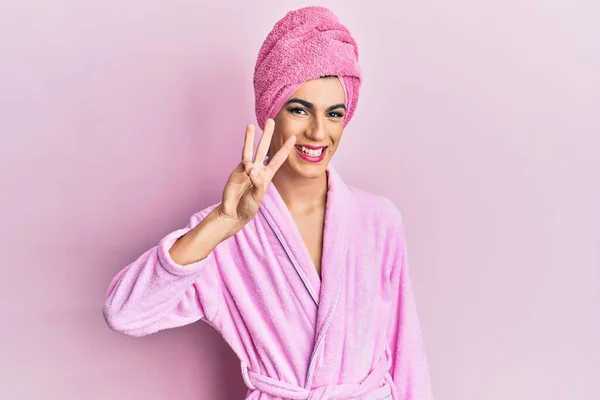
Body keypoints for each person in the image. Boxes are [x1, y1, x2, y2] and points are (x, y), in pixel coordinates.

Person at [103, 6, 434, 400]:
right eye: (300, 109)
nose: (318, 132)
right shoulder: (226, 237)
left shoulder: (379, 221)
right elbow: (125, 313)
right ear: (269, 112)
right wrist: (221, 223)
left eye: (334, 114)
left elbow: (406, 354)